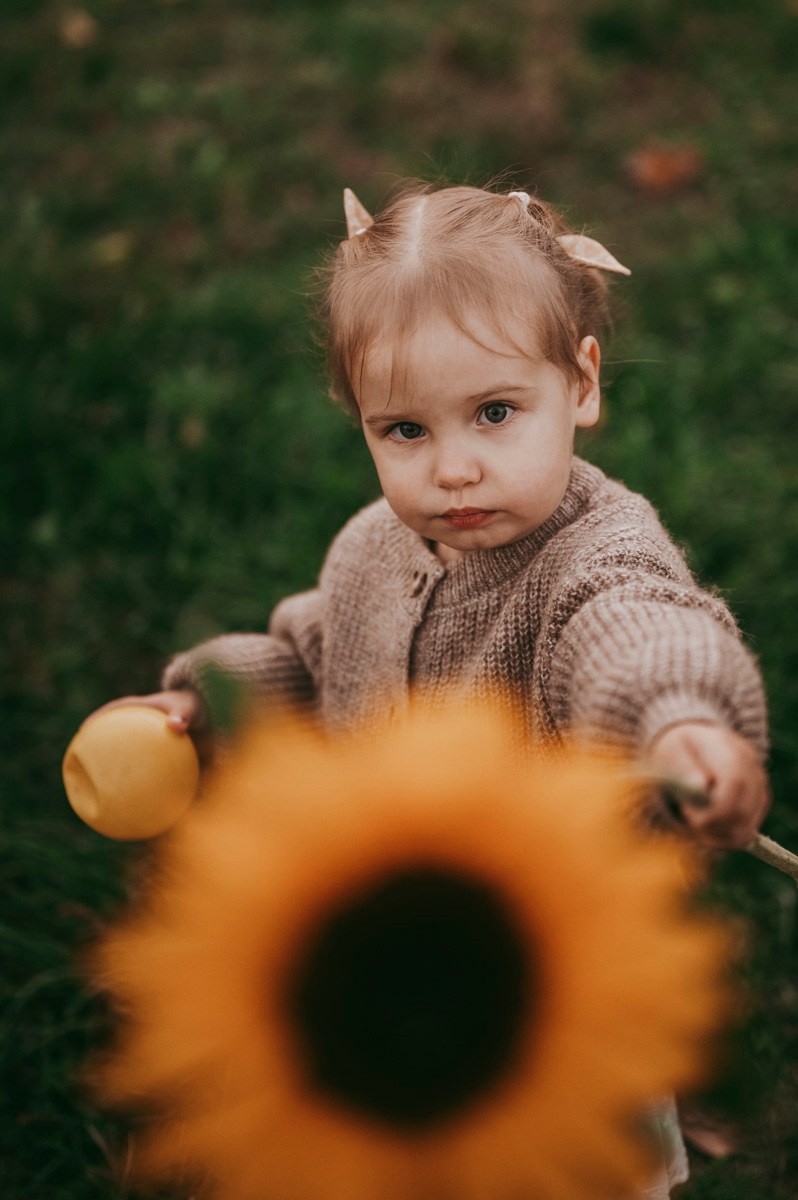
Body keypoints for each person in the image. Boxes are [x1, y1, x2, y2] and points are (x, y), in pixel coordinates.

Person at [89, 182, 770, 1196]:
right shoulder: (375, 546)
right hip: (408, 959)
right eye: (404, 429)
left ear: (581, 383)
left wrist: (679, 724)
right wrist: (202, 707)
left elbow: (635, 633)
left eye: (495, 413)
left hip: (552, 983)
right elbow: (317, 662)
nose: (453, 469)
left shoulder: (591, 557)